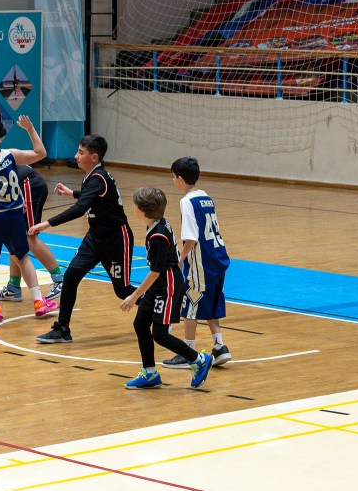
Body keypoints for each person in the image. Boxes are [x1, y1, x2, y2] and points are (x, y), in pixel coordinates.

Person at [30, 134, 136, 344]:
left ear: (94, 157)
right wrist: (73, 193)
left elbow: (80, 209)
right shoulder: (92, 176)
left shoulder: (98, 177)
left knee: (122, 290)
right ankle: (63, 329)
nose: (76, 156)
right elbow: (93, 196)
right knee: (70, 277)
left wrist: (47, 223)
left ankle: (160, 306)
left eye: (81, 152)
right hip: (94, 238)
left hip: (116, 240)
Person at [120, 187, 213, 389]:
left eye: (135, 204)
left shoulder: (158, 237)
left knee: (160, 334)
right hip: (159, 283)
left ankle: (198, 359)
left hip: (167, 285)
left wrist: (134, 296)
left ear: (143, 211)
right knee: (140, 324)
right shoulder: (157, 223)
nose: (132, 206)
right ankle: (150, 373)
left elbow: (155, 272)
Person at [0, 117, 57, 322]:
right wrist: (30, 129)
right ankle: (39, 301)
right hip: (15, 214)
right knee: (22, 257)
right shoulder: (11, 154)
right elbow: (41, 153)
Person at [162, 156, 233, 369]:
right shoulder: (206, 197)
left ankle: (188, 353)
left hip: (201, 262)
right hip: (218, 258)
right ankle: (219, 347)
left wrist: (179, 259)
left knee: (190, 305)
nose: (173, 181)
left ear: (180, 179)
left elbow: (191, 238)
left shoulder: (186, 202)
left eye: (173, 177)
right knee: (211, 302)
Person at [0, 163, 65, 302]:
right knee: (13, 237)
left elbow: (38, 154)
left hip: (28, 185)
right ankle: (13, 287)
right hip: (18, 188)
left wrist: (20, 198)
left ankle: (60, 280)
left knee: (29, 236)